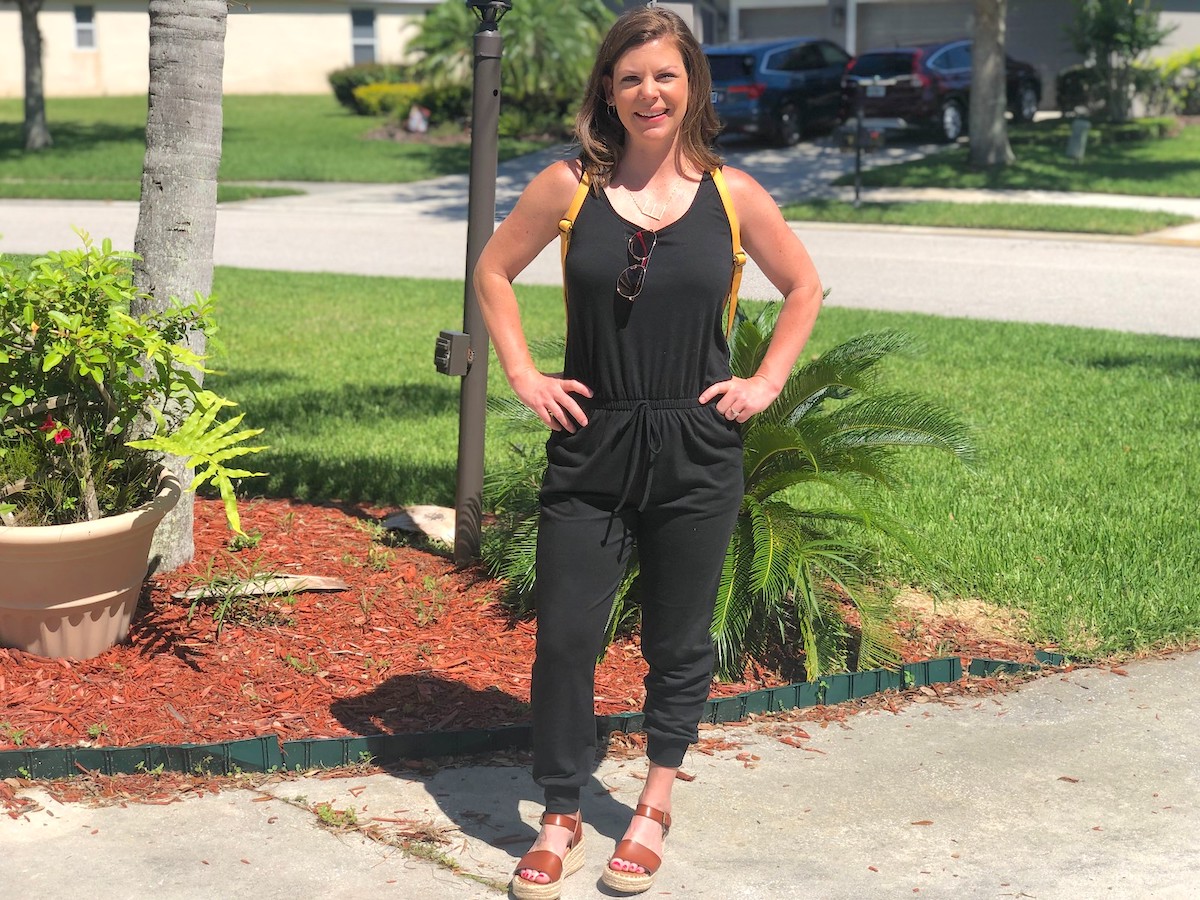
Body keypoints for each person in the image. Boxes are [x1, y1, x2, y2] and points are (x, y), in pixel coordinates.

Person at [473, 7, 823, 898]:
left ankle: (654, 800)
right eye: (630, 79)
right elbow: (491, 270)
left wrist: (767, 382)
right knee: (566, 636)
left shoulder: (735, 196)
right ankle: (560, 811)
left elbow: (804, 284)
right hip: (592, 439)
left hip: (698, 443)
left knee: (676, 638)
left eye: (664, 76)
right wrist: (522, 371)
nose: (648, 93)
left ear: (691, 85)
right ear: (608, 92)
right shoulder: (569, 187)